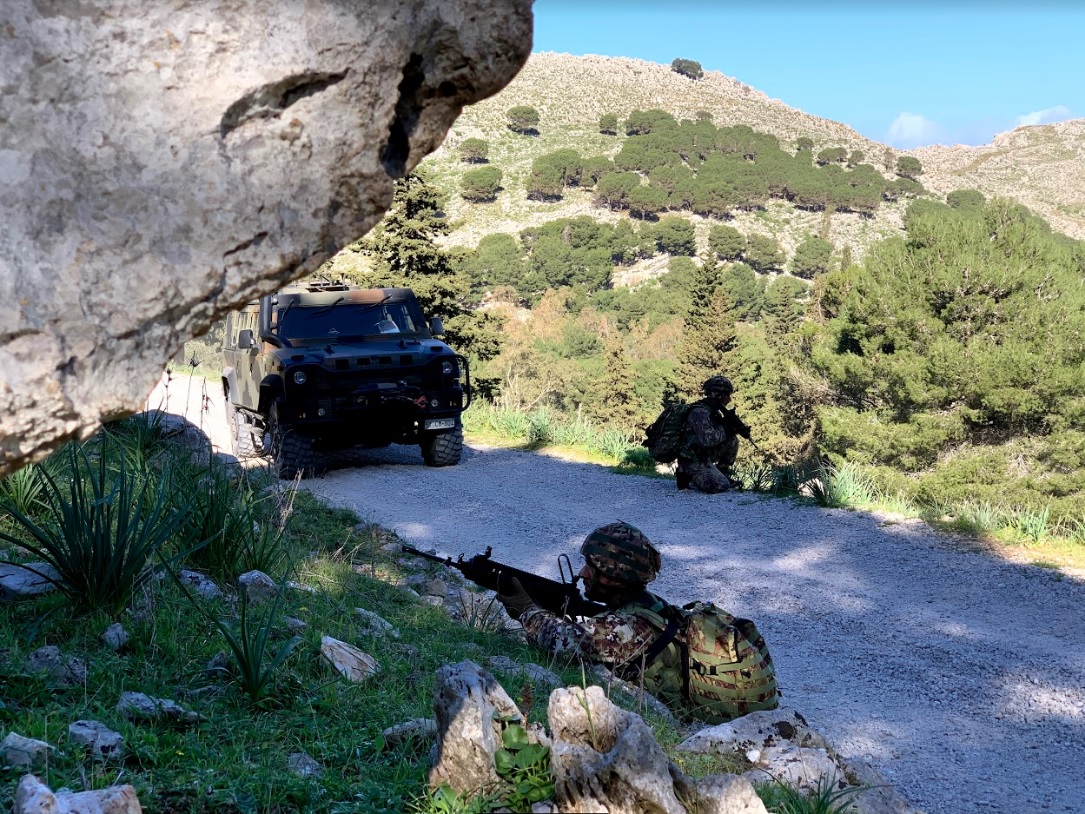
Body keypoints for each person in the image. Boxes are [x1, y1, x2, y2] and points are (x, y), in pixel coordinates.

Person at [496, 521, 778, 723]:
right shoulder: (648, 604)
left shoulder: (628, 628)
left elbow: (562, 642)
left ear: (615, 576)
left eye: (592, 567)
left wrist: (527, 610)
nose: (582, 573)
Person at [675, 375, 750, 493]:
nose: (729, 399)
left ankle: (721, 473)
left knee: (732, 440)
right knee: (720, 486)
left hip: (703, 456)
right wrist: (727, 429)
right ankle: (686, 474)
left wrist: (732, 429)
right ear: (719, 395)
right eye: (727, 395)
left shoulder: (713, 411)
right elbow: (708, 440)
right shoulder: (700, 412)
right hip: (691, 460)